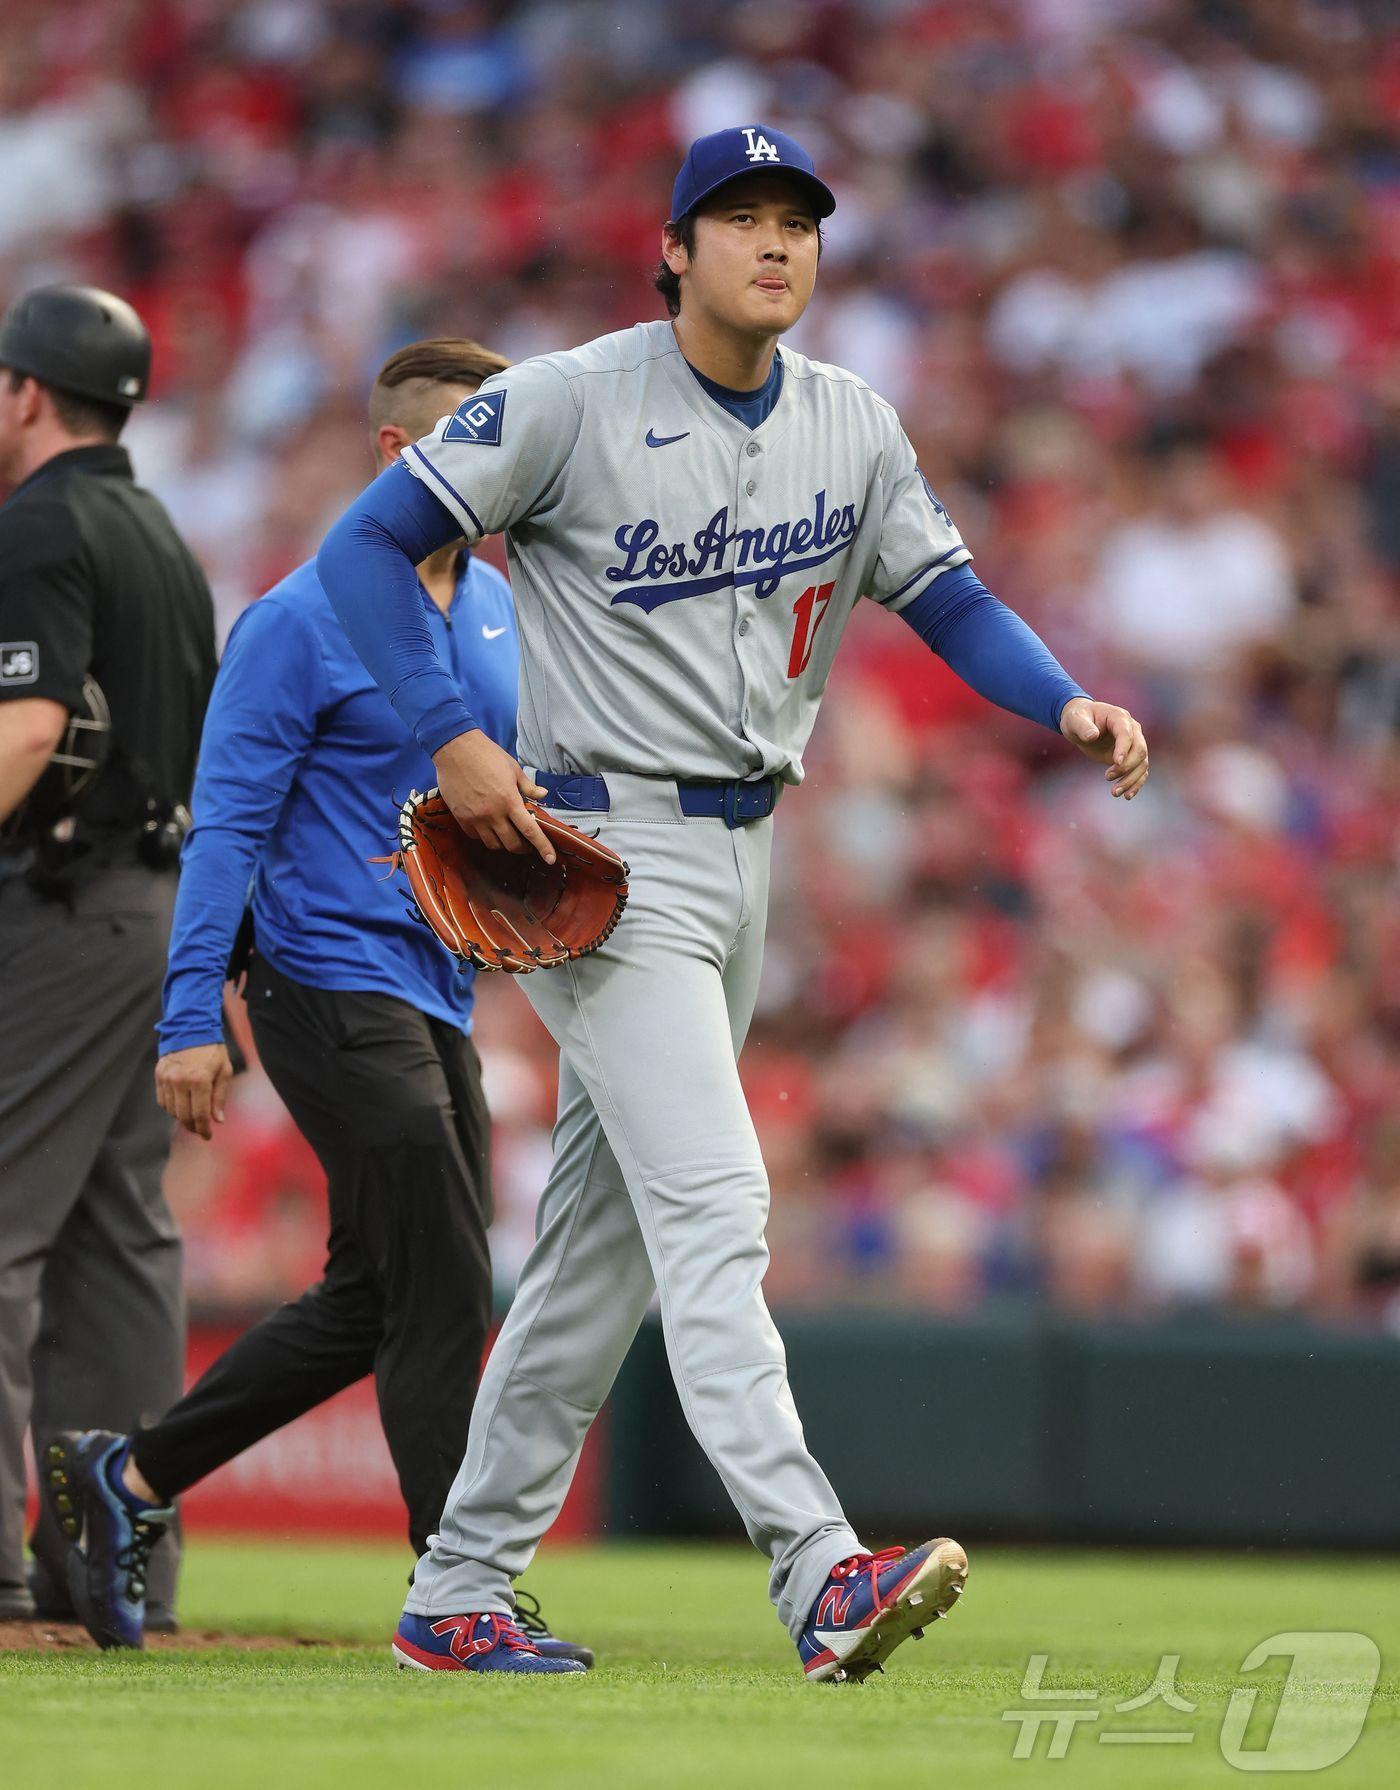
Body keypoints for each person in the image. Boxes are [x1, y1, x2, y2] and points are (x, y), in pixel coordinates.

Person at [315, 124, 1149, 1684]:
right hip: (604, 853)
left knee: (602, 1252)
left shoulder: (852, 421)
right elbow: (370, 546)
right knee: (715, 1204)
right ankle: (821, 1571)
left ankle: (459, 1587)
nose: (776, 242)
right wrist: (452, 734)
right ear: (677, 247)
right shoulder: (570, 396)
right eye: (741, 217)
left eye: (798, 220)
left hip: (749, 845)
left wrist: (1063, 701)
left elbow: (948, 596)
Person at [41, 338, 591, 1666]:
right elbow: (224, 822)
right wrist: (188, 1017)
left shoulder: (499, 604)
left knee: (377, 1288)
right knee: (448, 1280)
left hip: (436, 987)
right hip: (317, 977)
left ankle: (127, 1478)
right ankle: (454, 1591)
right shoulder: (299, 616)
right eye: (477, 436)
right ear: (403, 456)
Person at [0, 284, 217, 1625]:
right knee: (116, 1243)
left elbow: (26, 727)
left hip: (68, 905)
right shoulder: (159, 530)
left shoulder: (38, 519)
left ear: (25, 391)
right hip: (161, 907)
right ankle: (114, 1562)